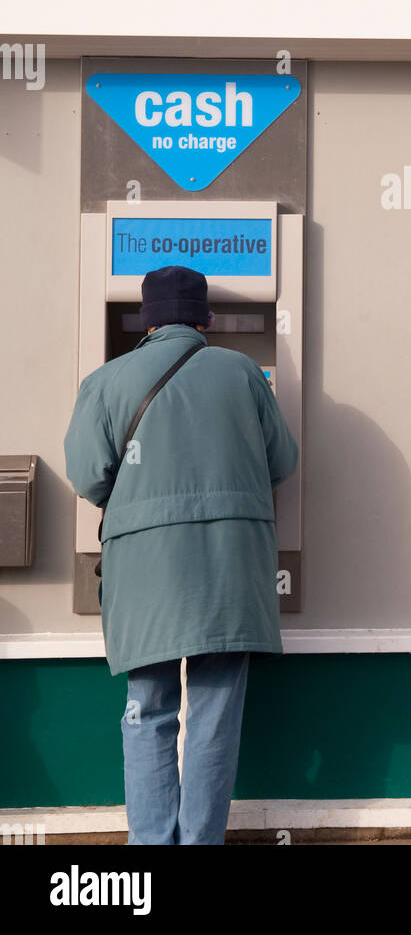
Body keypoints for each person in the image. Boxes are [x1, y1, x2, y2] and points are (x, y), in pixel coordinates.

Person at [63, 265, 298, 845]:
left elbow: (88, 476)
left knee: (148, 709)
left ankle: (150, 849)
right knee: (215, 714)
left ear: (144, 321)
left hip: (146, 571)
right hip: (229, 568)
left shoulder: (105, 381)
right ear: (206, 319)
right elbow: (282, 461)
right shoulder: (243, 373)